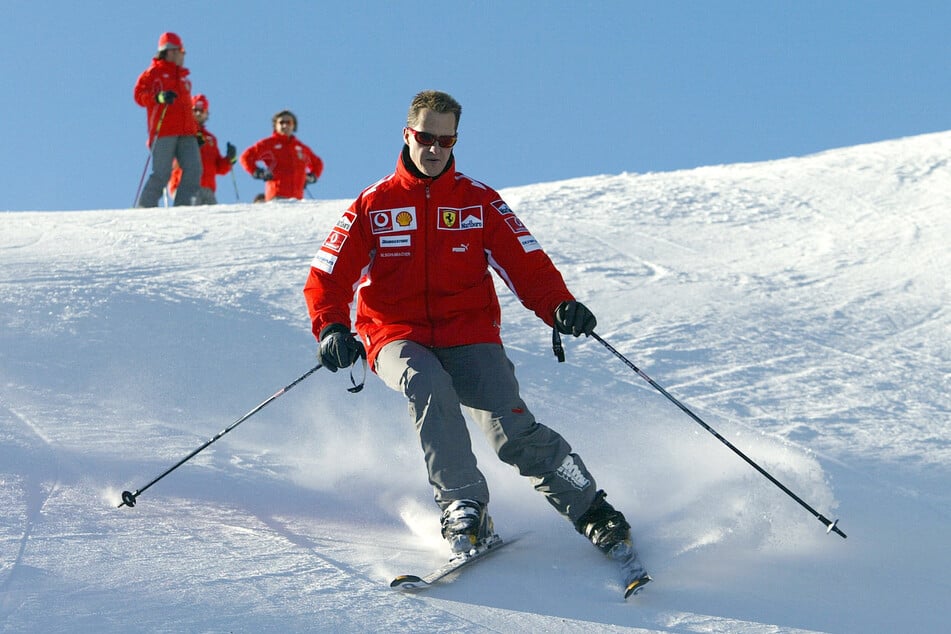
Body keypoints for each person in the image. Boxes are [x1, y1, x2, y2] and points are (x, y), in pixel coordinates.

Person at [303, 90, 643, 572]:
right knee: (427, 384)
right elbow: (327, 276)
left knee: (512, 432)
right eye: (426, 138)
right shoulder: (374, 205)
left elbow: (528, 265)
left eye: (446, 139)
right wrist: (332, 327)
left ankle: (593, 509)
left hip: (469, 332)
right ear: (407, 135)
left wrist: (559, 305)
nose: (435, 149)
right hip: (394, 333)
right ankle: (464, 507)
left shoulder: (478, 202)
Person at [133, 32, 202, 207]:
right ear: (170, 51)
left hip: (186, 132)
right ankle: (145, 206)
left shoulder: (183, 77)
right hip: (164, 130)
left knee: (194, 168)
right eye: (182, 51)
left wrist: (196, 132)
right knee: (162, 173)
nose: (183, 55)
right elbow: (139, 95)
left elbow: (186, 108)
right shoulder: (153, 73)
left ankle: (183, 206)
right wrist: (158, 97)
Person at [168, 94, 237, 205]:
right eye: (195, 110)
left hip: (207, 188)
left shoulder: (211, 139)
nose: (198, 113)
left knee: (214, 220)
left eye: (202, 110)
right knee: (191, 218)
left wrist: (230, 159)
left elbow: (219, 168)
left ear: (206, 114)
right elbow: (171, 161)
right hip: (185, 186)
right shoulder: (181, 132)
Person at [239, 111, 323, 201]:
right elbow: (246, 157)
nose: (285, 125)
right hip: (277, 196)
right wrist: (257, 172)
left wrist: (312, 177)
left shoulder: (301, 148)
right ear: (275, 125)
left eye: (289, 122)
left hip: (298, 199)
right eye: (281, 122)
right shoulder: (269, 144)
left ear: (294, 125)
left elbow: (318, 163)